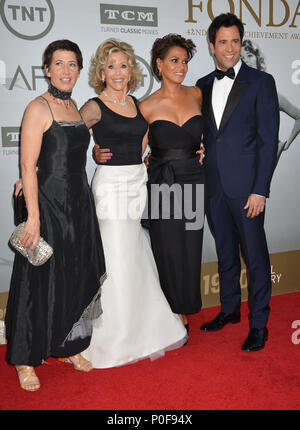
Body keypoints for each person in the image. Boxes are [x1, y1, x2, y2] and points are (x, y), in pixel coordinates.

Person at [5, 40, 106, 391]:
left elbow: (72, 151)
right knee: (37, 281)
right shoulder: (37, 107)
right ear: (47, 69)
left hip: (78, 203)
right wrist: (33, 217)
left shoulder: (76, 106)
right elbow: (28, 166)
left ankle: (69, 345)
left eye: (72, 64)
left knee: (75, 274)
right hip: (47, 205)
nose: (66, 70)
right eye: (59, 64)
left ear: (79, 70)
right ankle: (24, 358)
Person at [79, 39, 187, 369]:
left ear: (131, 70)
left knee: (136, 257)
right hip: (110, 187)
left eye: (123, 65)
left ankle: (146, 329)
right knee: (115, 259)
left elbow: (144, 138)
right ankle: (111, 338)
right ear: (101, 71)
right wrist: (92, 153)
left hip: (135, 183)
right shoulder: (94, 105)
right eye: (110, 66)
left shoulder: (136, 103)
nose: (117, 72)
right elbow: (67, 138)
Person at [196, 13, 279, 351]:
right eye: (222, 42)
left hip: (248, 189)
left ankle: (259, 323)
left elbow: (268, 139)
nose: (229, 49)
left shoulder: (261, 81)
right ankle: (230, 309)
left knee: (255, 256)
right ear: (212, 46)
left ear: (240, 43)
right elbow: (201, 134)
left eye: (235, 41)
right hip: (212, 185)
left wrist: (260, 189)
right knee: (226, 252)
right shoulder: (200, 85)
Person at [139, 34, 205, 332]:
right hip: (163, 182)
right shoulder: (146, 106)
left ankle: (185, 307)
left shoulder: (196, 94)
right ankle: (171, 311)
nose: (181, 67)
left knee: (190, 247)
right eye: (175, 60)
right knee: (167, 249)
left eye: (185, 61)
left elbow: (211, 133)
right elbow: (135, 151)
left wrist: (206, 148)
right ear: (159, 63)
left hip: (193, 178)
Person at [241, 39, 300, 160]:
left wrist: (285, 145)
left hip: (264, 157)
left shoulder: (273, 95)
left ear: (258, 59)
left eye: (250, 55)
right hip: (240, 158)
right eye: (241, 58)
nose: (246, 60)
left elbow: (299, 116)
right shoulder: (234, 94)